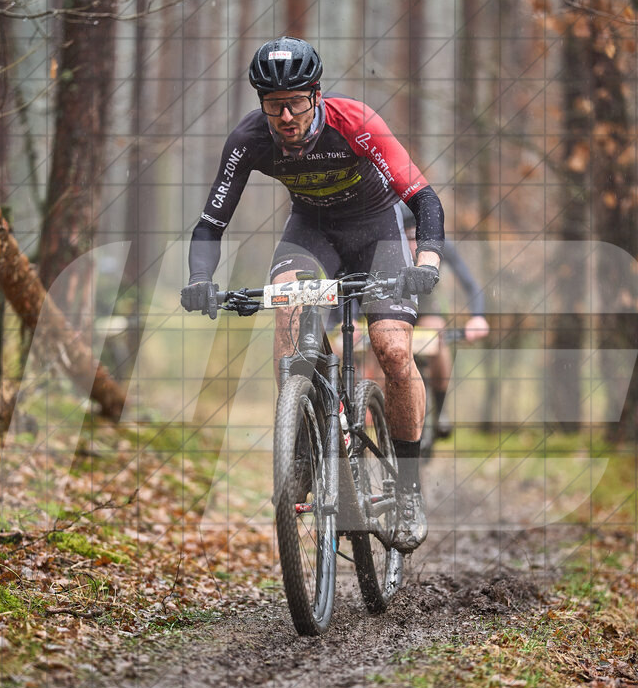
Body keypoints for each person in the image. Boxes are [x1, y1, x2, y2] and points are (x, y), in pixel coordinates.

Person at [181, 36, 445, 553]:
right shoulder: (248, 139)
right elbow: (212, 222)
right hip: (311, 233)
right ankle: (299, 443)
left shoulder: (356, 123)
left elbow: (424, 198)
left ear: (316, 95)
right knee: (287, 306)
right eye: (272, 104)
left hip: (377, 233)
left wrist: (427, 263)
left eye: (295, 102)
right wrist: (199, 280)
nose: (284, 116)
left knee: (393, 347)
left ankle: (408, 489)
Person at [403, 215, 489, 439]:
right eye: (409, 238)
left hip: (428, 308)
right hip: (397, 304)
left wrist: (477, 317)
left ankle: (440, 409)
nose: (414, 245)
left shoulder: (439, 245)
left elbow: (471, 285)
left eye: (418, 238)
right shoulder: (386, 246)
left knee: (436, 334)